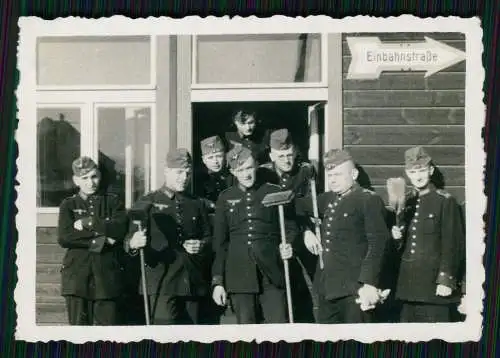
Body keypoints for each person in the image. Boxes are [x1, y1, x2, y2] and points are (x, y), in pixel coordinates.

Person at [296, 149, 390, 324]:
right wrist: (306, 231)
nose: (332, 179)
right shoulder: (328, 199)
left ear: (354, 174)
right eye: (330, 175)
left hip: (356, 289)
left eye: (338, 174)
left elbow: (379, 243)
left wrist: (369, 283)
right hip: (327, 288)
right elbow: (295, 207)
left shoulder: (368, 200)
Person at [125, 148, 212, 325]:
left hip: (190, 283)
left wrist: (201, 245)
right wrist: (133, 243)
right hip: (161, 283)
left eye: (187, 173)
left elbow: (208, 237)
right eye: (179, 172)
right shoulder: (147, 202)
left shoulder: (196, 203)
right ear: (166, 172)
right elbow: (129, 240)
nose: (184, 177)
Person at [211, 146, 294, 324]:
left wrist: (288, 245)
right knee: (246, 333)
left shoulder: (273, 191)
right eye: (240, 170)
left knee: (278, 329)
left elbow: (290, 227)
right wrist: (218, 281)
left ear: (256, 165)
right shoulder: (225, 198)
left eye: (249, 168)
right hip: (239, 275)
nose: (246, 174)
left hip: (272, 274)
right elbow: (220, 243)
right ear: (233, 171)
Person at [391, 146, 465, 322]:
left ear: (430, 171)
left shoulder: (445, 201)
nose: (418, 176)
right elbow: (403, 247)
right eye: (413, 171)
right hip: (408, 287)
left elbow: (453, 243)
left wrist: (446, 280)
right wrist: (397, 238)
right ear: (407, 173)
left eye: (422, 170)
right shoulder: (405, 200)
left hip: (434, 289)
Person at [57, 156, 128, 325]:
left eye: (94, 176)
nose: (91, 182)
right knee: (79, 333)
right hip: (77, 277)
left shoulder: (113, 202)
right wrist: (102, 240)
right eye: (85, 178)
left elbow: (119, 229)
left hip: (106, 277)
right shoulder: (68, 205)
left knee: (108, 334)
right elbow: (65, 237)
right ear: (76, 180)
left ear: (100, 176)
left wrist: (87, 223)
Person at [257, 128, 317, 322]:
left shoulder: (305, 171)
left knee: (308, 286)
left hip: (299, 235)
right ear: (272, 155)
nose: (287, 160)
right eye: (281, 156)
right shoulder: (262, 173)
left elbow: (309, 206)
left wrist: (307, 231)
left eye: (290, 154)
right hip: (274, 237)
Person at [195, 135, 236, 212]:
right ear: (204, 160)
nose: (215, 161)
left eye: (219, 156)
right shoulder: (198, 179)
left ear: (225, 156)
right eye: (210, 157)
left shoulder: (234, 175)